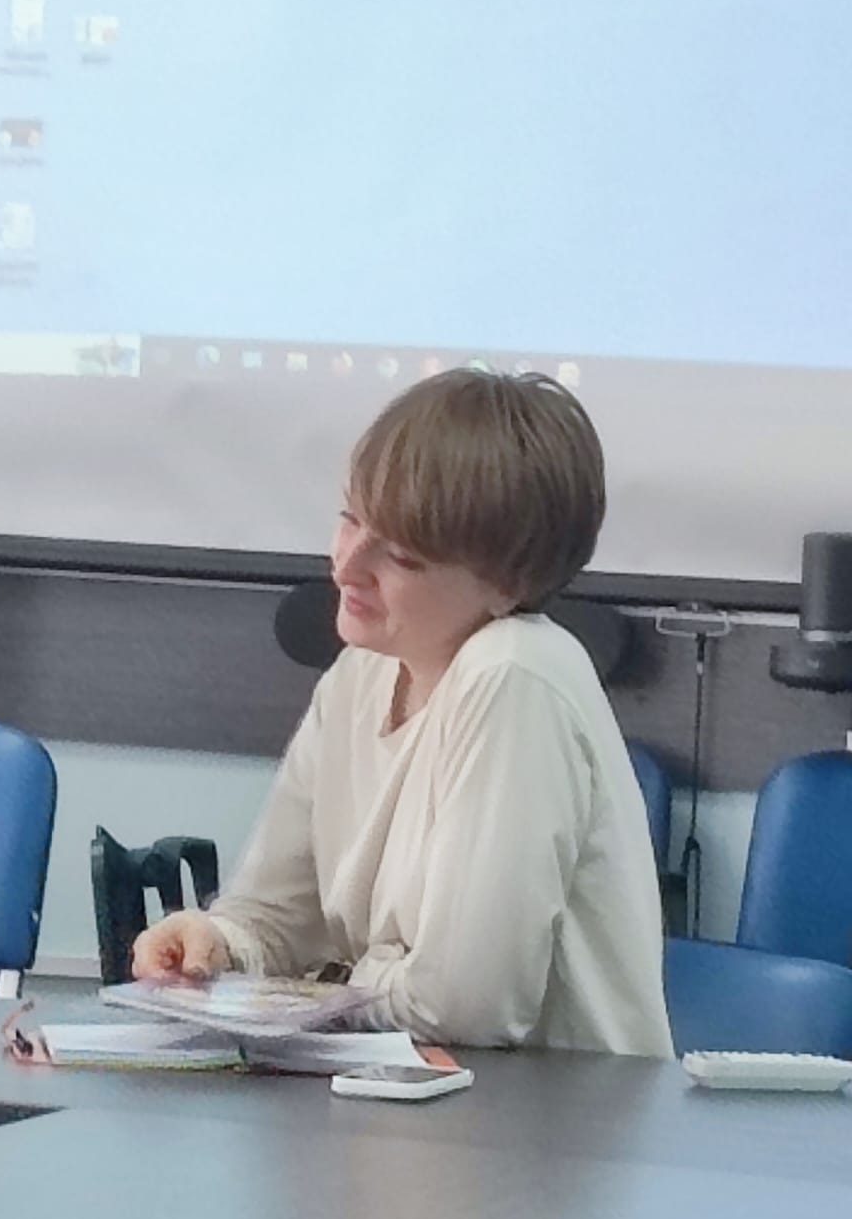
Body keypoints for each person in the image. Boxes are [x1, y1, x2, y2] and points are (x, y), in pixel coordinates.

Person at [131, 369, 673, 1057]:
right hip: (421, 1097)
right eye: (351, 519)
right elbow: (276, 916)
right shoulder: (362, 671)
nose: (346, 567)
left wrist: (335, 981)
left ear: (509, 583)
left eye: (402, 555)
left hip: (551, 1113)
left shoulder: (514, 673)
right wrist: (218, 942)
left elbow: (465, 1006)